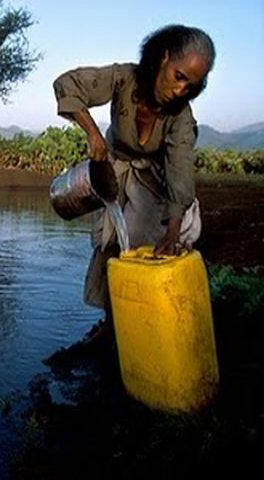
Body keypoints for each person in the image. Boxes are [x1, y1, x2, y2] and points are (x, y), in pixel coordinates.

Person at [52, 24, 215, 344]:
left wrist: (173, 228)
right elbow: (66, 84)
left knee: (150, 243)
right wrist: (93, 134)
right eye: (179, 76)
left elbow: (179, 171)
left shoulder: (181, 117)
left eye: (190, 85)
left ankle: (149, 319)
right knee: (109, 245)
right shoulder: (123, 77)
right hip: (113, 170)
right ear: (164, 57)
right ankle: (113, 321)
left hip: (152, 178)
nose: (180, 89)